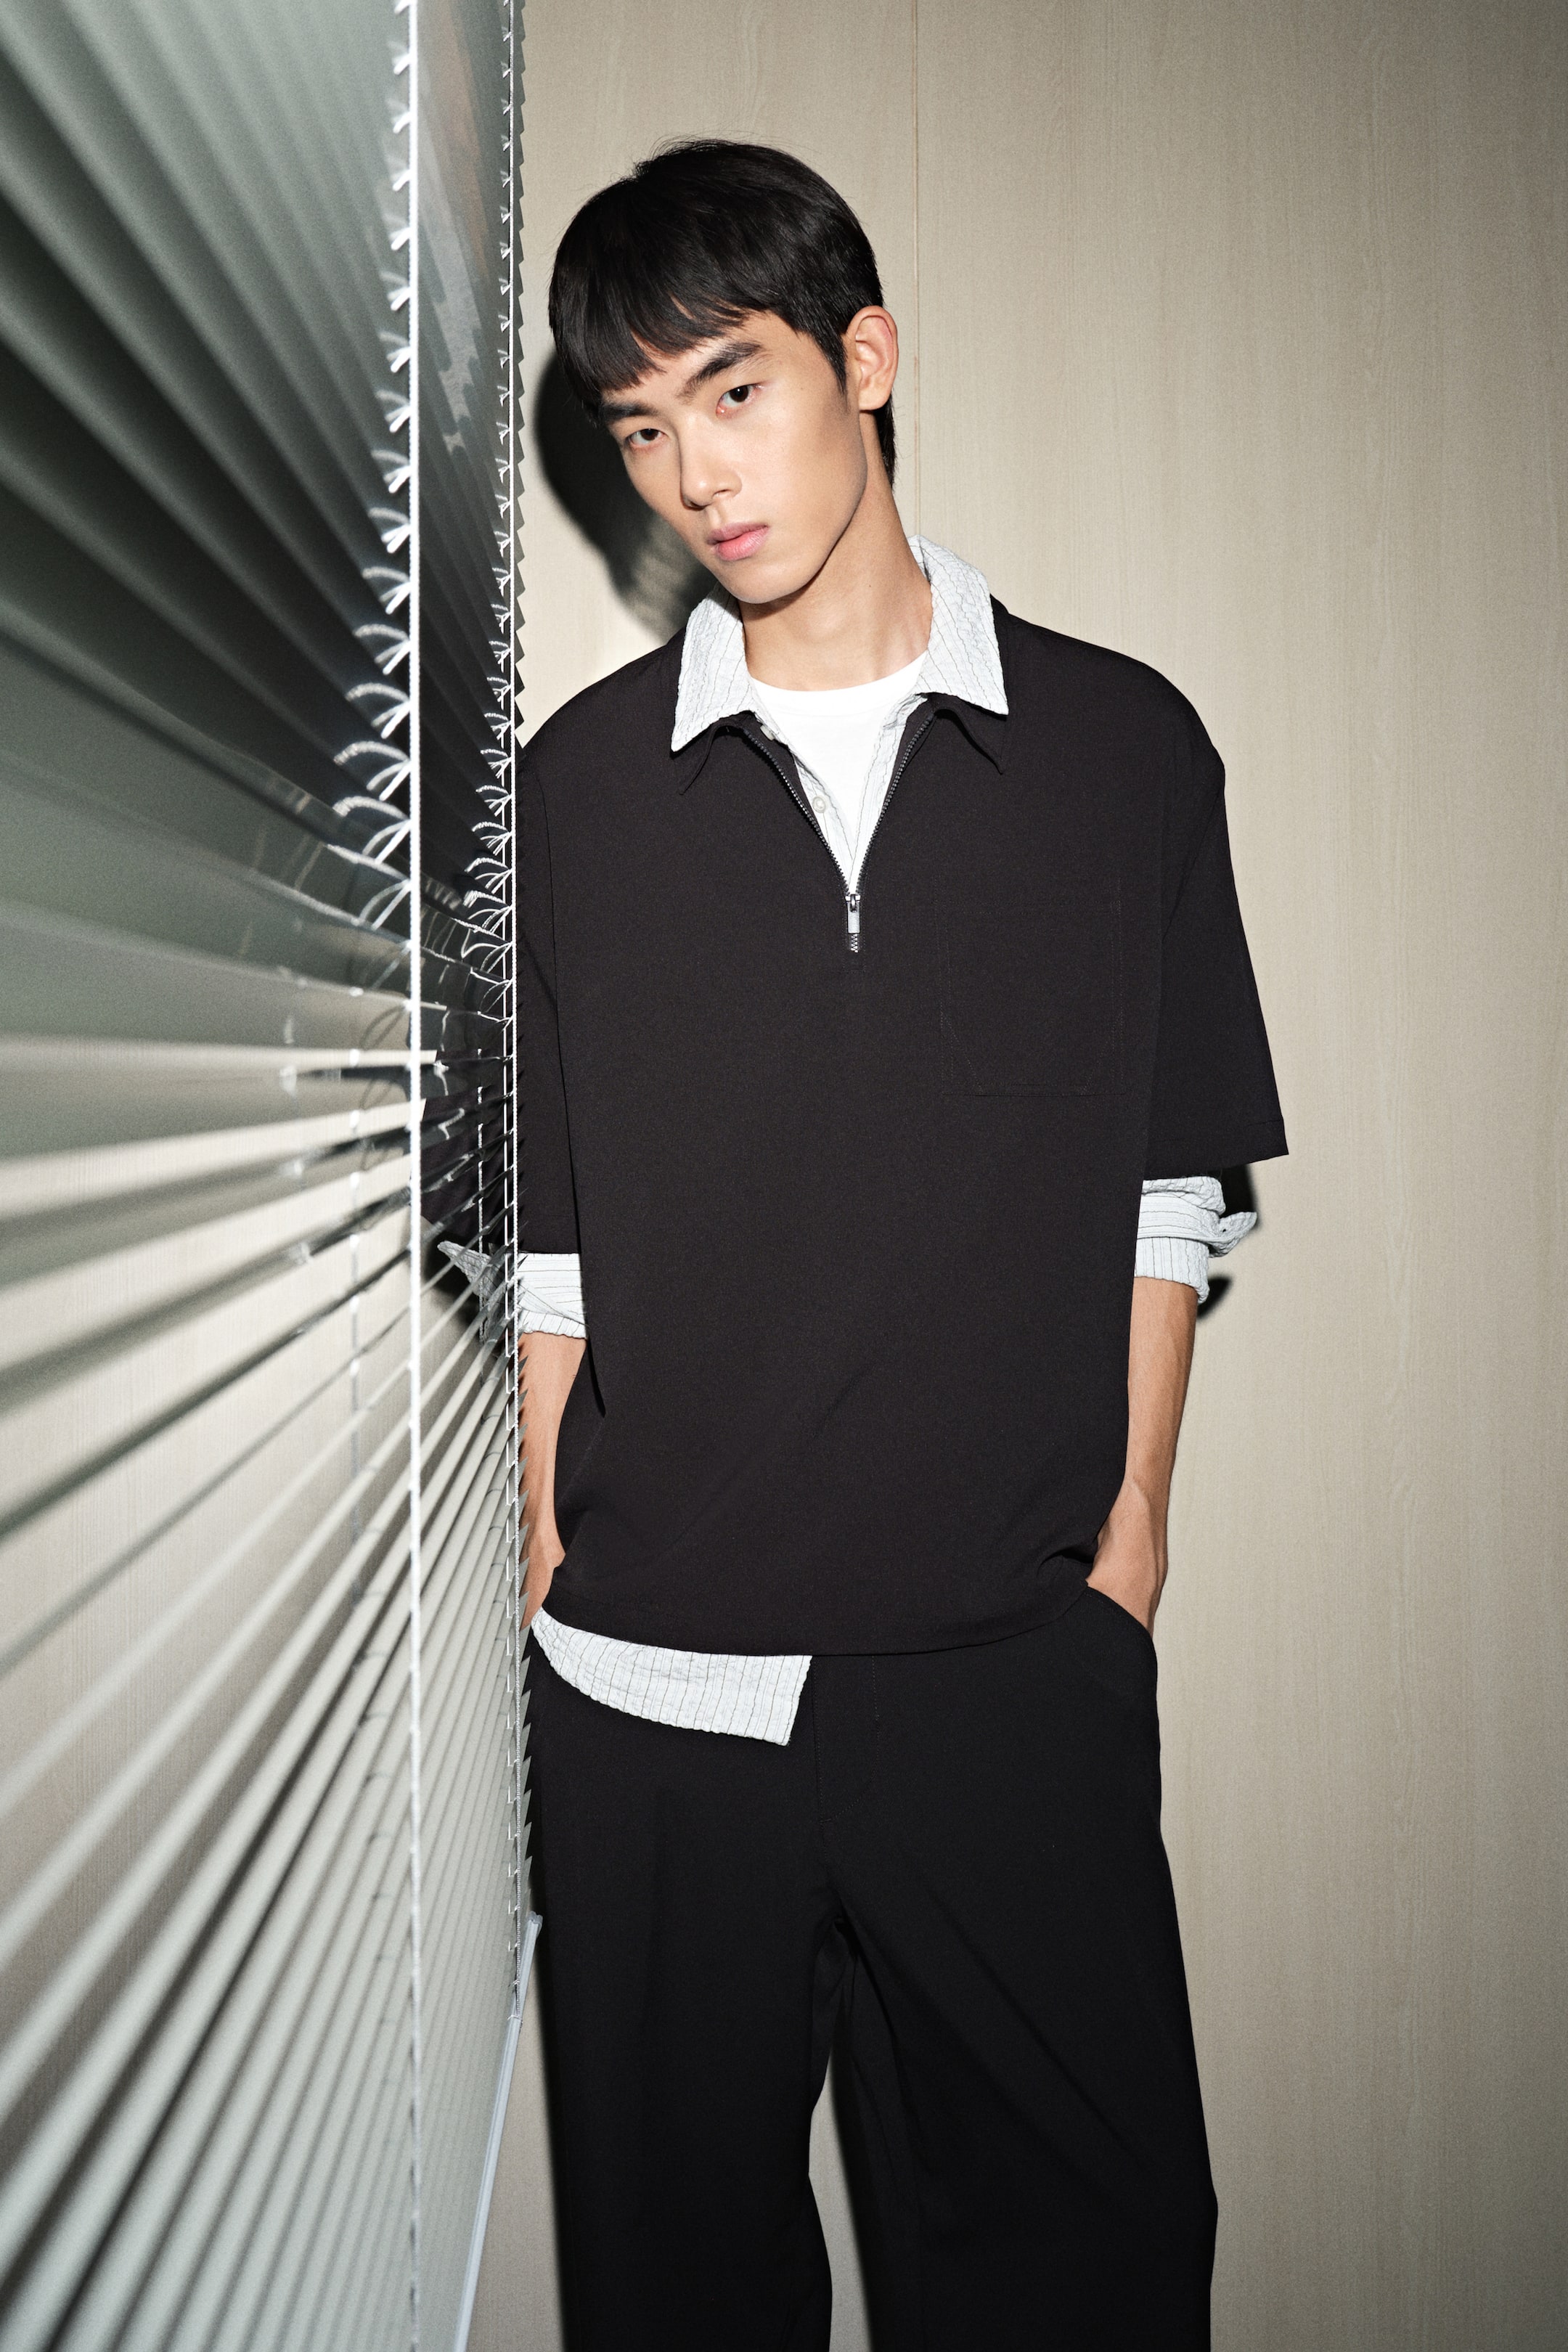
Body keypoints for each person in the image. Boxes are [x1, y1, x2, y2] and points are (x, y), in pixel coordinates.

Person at [517, 139, 1286, 2352]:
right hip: (657, 1703)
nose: (695, 475)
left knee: (1088, 2277)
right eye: (639, 430)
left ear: (864, 357)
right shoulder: (581, 793)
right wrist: (559, 1562)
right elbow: (555, 1248)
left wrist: (1126, 1548)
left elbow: (1168, 1189)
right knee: (680, 2302)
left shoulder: (1125, 753)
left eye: (733, 391)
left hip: (1009, 1682)